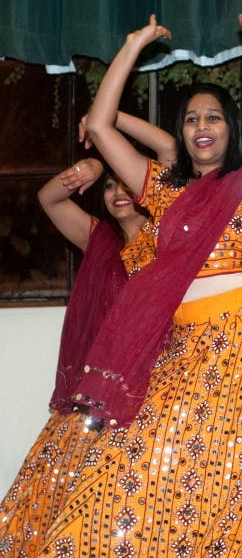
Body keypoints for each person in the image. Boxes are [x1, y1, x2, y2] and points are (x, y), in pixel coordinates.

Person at [34, 4, 242, 557]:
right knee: (134, 472)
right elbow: (98, 125)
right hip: (184, 348)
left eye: (213, 116)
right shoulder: (163, 195)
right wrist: (131, 45)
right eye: (191, 119)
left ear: (230, 128)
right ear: (183, 134)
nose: (202, 126)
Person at [0, 114, 174, 556]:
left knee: (133, 506)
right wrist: (91, 166)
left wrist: (108, 134)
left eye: (124, 183)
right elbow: (49, 198)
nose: (117, 193)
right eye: (109, 186)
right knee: (60, 500)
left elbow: (172, 154)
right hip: (95, 393)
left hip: (155, 391)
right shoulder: (99, 240)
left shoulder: (169, 238)